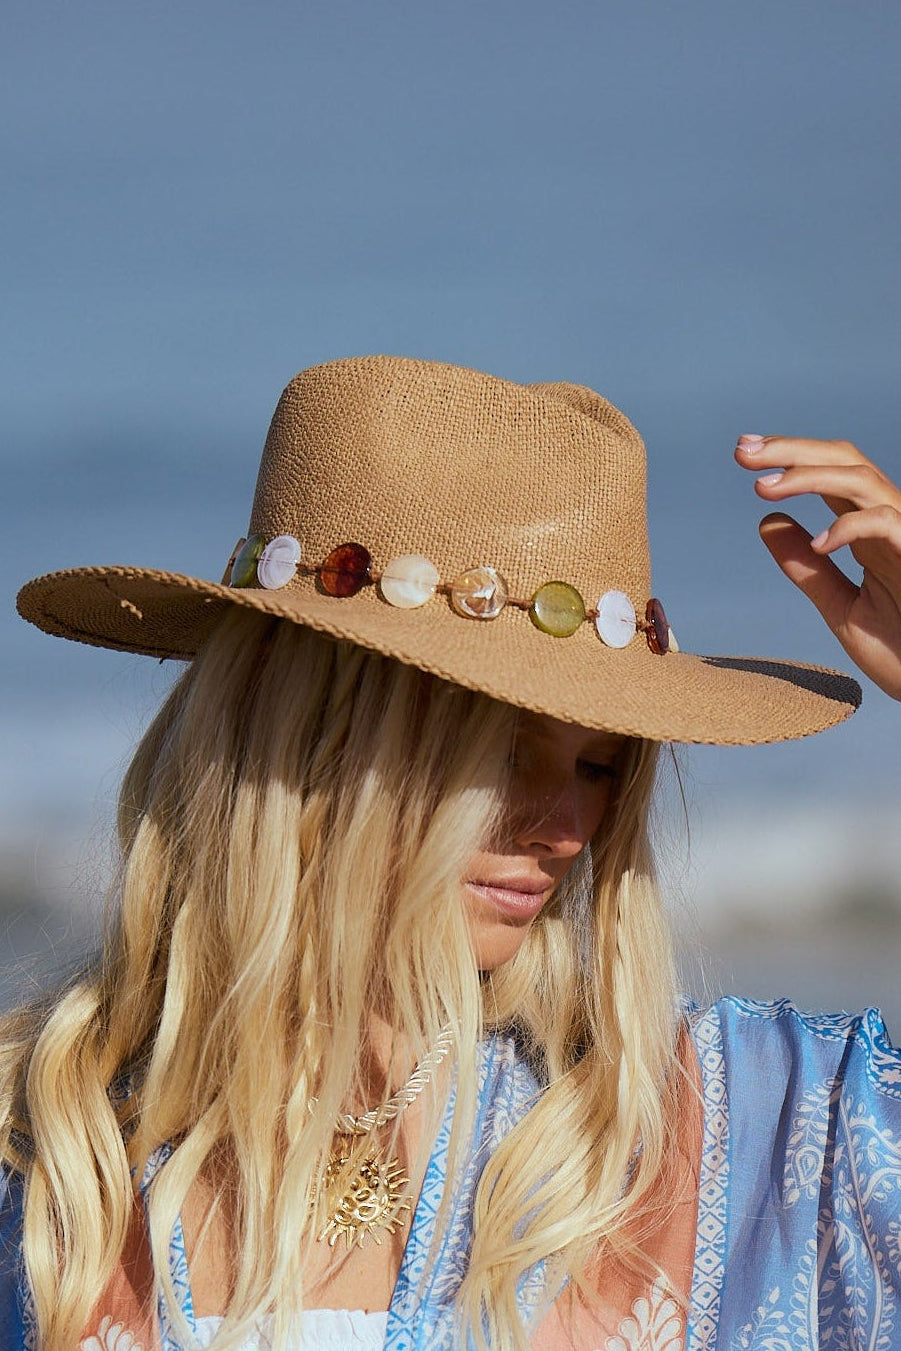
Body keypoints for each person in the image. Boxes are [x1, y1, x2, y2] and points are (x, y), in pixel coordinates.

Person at [2, 355, 900, 1351]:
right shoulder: (45, 1143)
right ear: (315, 736)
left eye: (601, 768)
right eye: (509, 755)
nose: (562, 825)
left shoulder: (755, 1131)